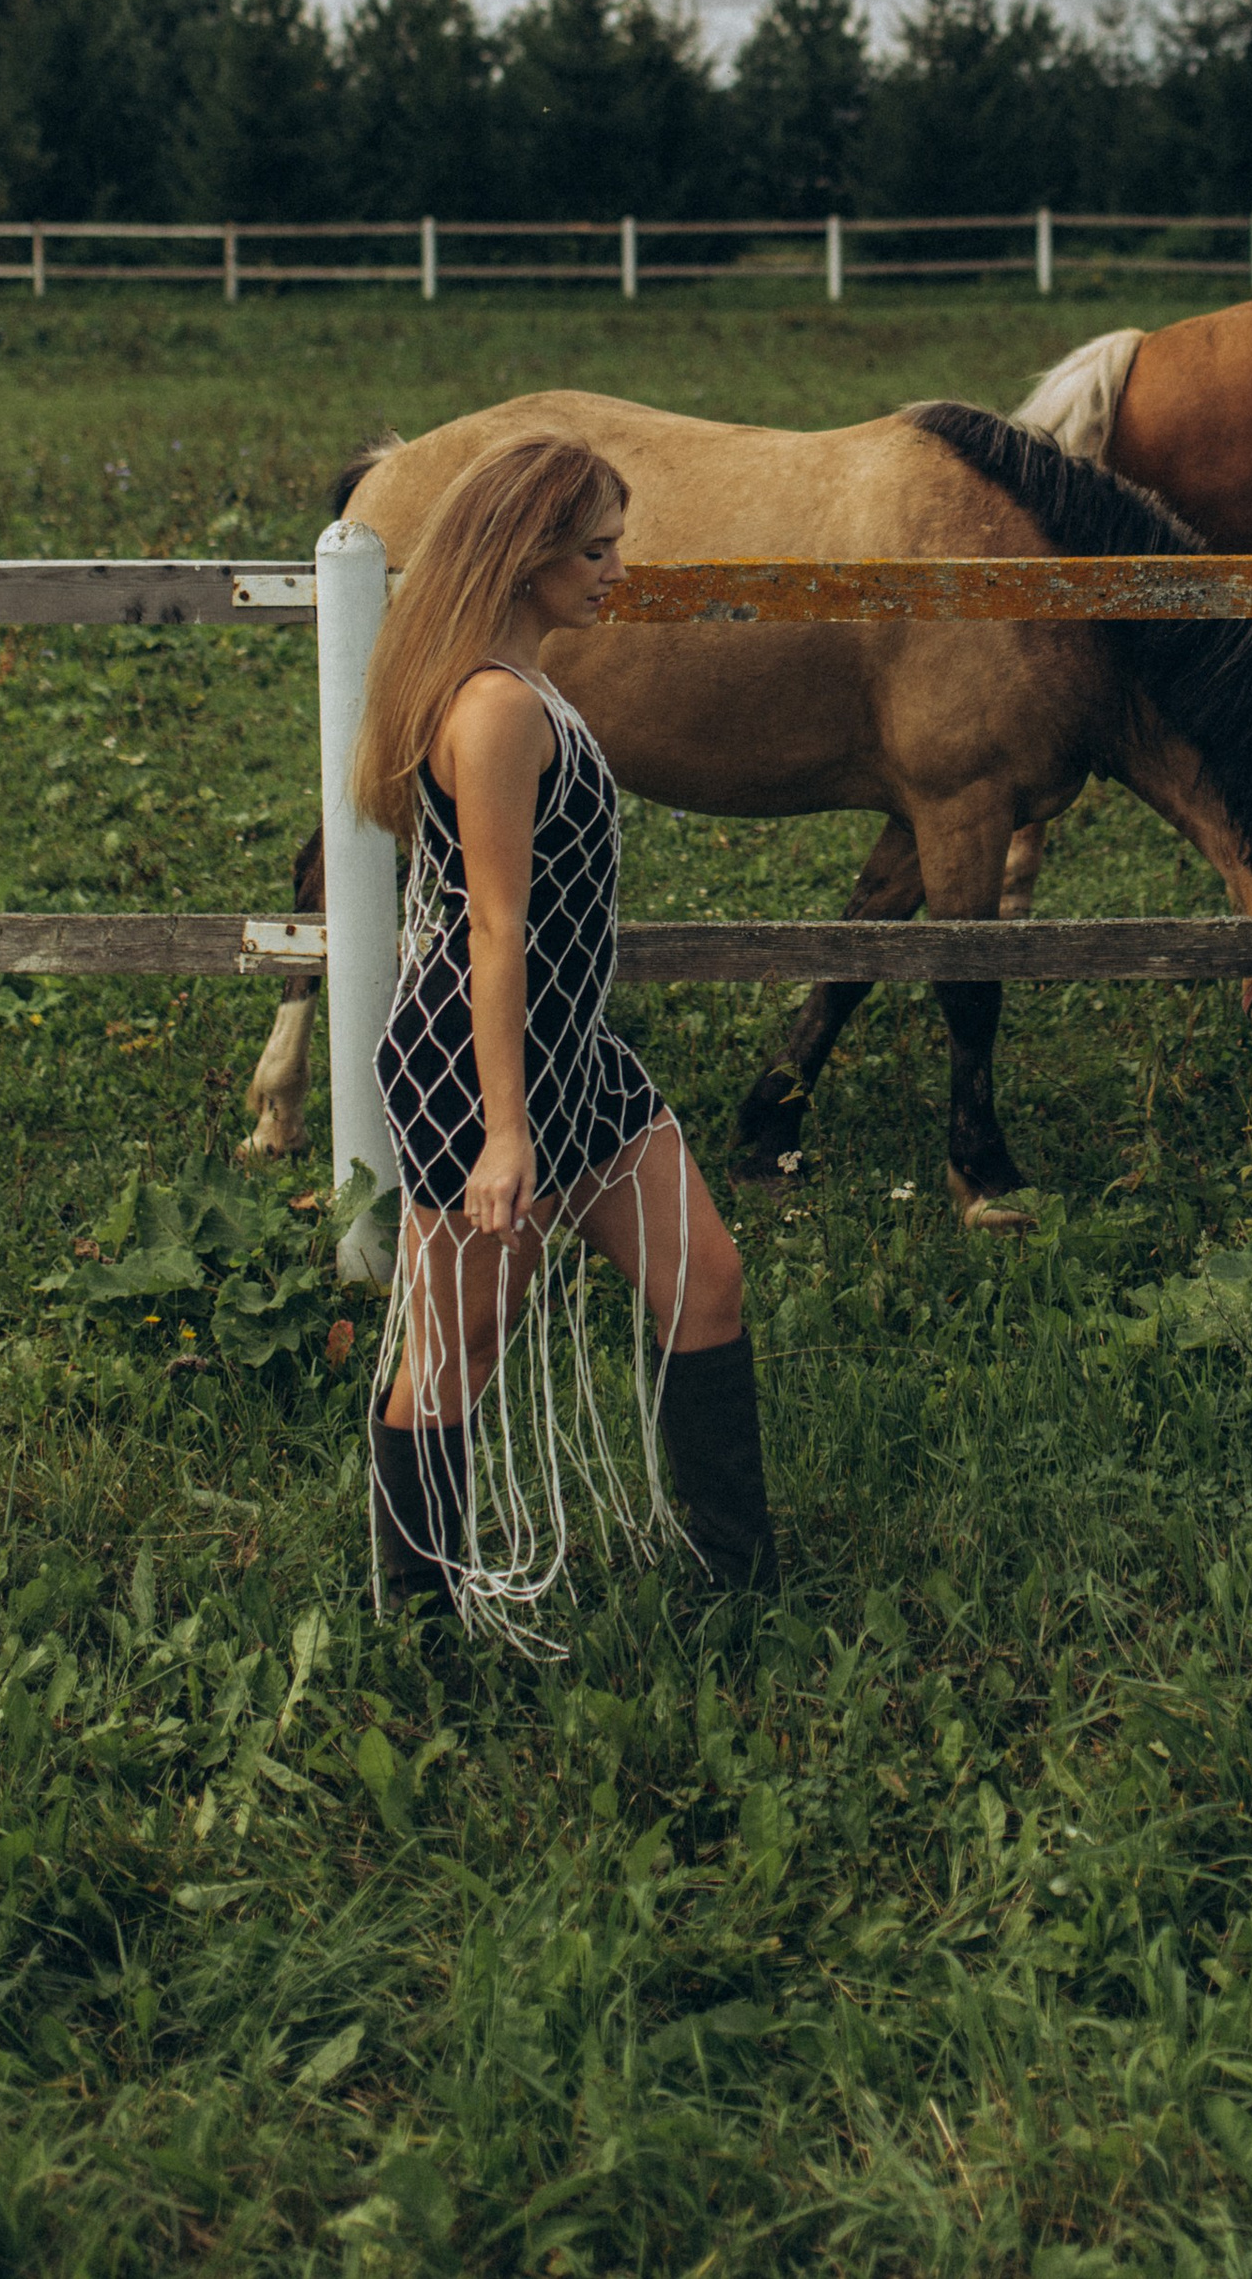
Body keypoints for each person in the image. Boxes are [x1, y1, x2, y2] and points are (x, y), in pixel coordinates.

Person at [349, 427, 776, 1629]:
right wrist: (502, 1131)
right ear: (524, 553)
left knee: (707, 1280)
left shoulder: (523, 686)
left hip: (574, 1055)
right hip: (481, 1072)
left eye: (615, 545)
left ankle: (738, 1590)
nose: (614, 570)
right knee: (461, 1344)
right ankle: (419, 1620)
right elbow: (494, 932)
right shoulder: (490, 712)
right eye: (593, 550)